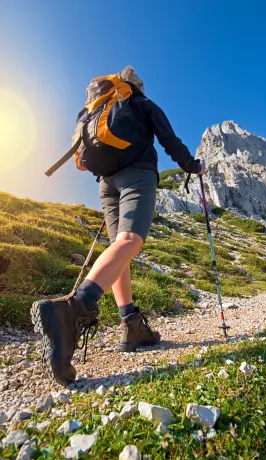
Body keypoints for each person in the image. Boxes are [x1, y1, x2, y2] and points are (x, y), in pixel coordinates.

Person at [31, 66, 205, 386]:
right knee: (131, 241)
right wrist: (193, 166)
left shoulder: (97, 109)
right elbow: (169, 140)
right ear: (135, 84)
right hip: (137, 173)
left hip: (106, 184)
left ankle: (130, 325)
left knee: (118, 248)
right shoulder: (140, 101)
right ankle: (73, 309)